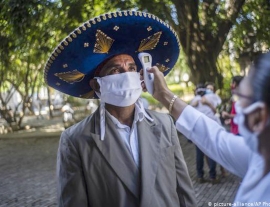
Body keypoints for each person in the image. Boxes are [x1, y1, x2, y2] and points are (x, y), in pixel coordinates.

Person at [44, 11, 196, 207]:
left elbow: (184, 190)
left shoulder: (165, 123)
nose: (127, 75)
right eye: (116, 70)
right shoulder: (75, 140)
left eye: (132, 68)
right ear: (97, 86)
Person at [142, 44, 270, 204]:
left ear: (258, 118)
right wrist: (164, 95)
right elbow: (213, 137)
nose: (236, 105)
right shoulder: (266, 157)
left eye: (240, 97)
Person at [190, 83, 222, 184]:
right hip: (210, 128)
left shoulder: (195, 100)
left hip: (198, 129)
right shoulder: (212, 97)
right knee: (211, 152)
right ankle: (212, 176)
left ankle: (200, 176)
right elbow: (218, 106)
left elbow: (189, 113)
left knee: (199, 154)